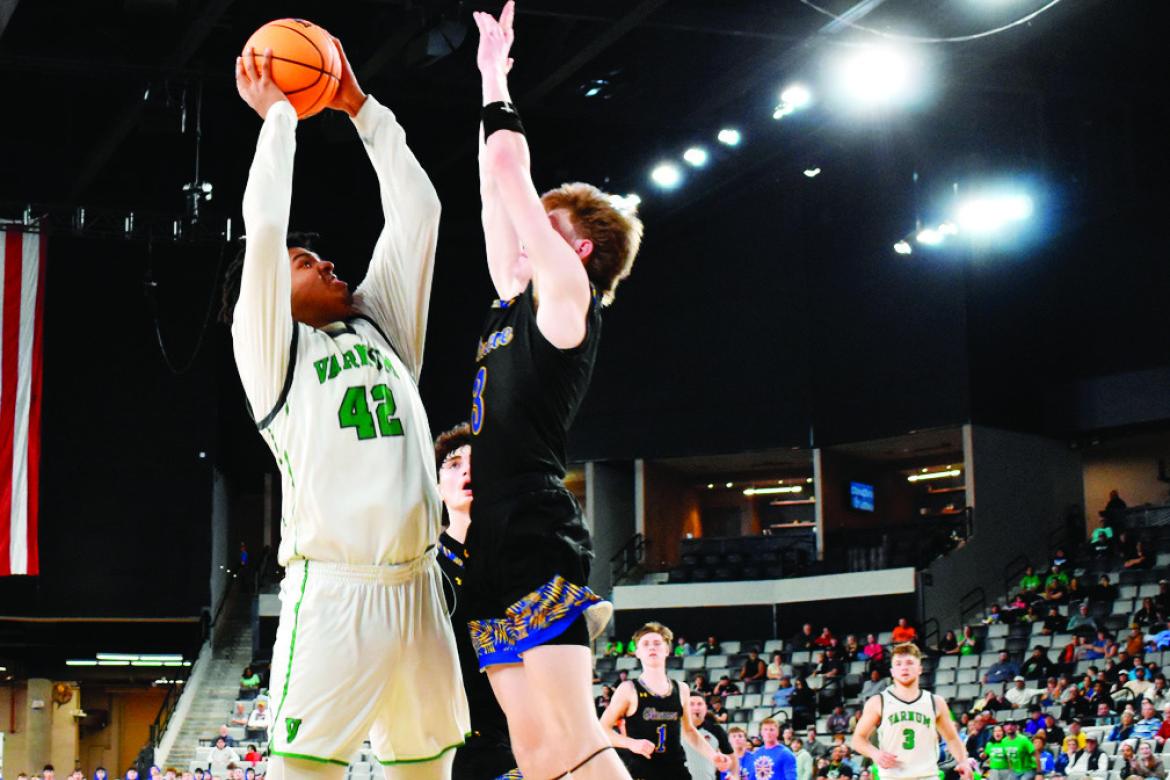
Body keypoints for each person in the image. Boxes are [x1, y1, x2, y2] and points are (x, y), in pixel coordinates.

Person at [228, 38, 468, 777]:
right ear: (274, 286)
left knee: (427, 768)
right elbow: (265, 229)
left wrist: (362, 110)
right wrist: (279, 119)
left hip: (421, 587)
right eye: (309, 263)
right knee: (303, 769)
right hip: (334, 593)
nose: (328, 261)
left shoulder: (380, 323)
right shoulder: (272, 352)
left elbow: (420, 214)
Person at [464, 6, 645, 778]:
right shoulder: (516, 298)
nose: (522, 227)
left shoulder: (569, 298)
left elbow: (510, 175)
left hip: (537, 526)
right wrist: (484, 83)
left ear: (575, 246)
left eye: (543, 221)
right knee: (531, 747)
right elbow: (490, 190)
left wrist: (499, 77)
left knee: (575, 735)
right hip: (491, 538)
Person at [432, 423, 518, 780]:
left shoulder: (525, 561)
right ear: (436, 487)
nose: (467, 468)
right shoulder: (424, 570)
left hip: (517, 743)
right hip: (443, 746)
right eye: (453, 463)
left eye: (477, 460)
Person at [600, 622, 732, 779]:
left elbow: (689, 731)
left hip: (676, 771)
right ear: (637, 652)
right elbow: (602, 730)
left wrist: (713, 756)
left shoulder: (681, 689)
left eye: (657, 643)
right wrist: (631, 743)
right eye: (646, 644)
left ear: (667, 650)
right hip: (642, 772)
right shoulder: (628, 689)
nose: (652, 647)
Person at [850, 643, 972, 780]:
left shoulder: (935, 702)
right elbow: (857, 739)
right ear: (892, 671)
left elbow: (952, 738)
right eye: (898, 664)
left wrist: (963, 761)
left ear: (920, 669)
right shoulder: (878, 702)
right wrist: (875, 753)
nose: (904, 668)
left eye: (909, 663)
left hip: (927, 776)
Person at [684, 695, 733, 780]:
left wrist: (731, 772)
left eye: (699, 704)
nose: (696, 708)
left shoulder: (716, 729)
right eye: (691, 704)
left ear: (705, 708)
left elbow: (729, 755)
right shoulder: (676, 728)